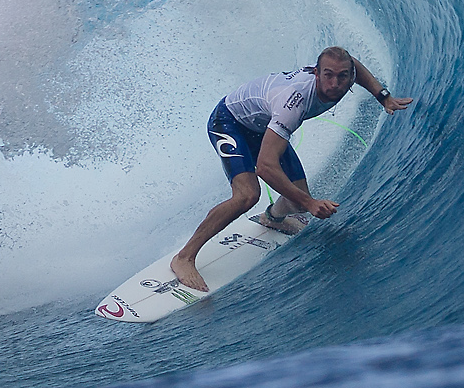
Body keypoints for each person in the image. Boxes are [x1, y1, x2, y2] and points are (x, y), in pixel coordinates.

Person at [169, 46, 413, 292]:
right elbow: (265, 167)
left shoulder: (342, 75)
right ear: (316, 74)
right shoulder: (293, 103)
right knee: (247, 195)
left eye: (342, 76)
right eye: (328, 75)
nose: (335, 83)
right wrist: (310, 203)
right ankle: (184, 257)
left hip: (264, 126)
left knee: (295, 200)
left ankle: (272, 218)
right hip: (230, 121)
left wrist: (383, 97)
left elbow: (354, 65)